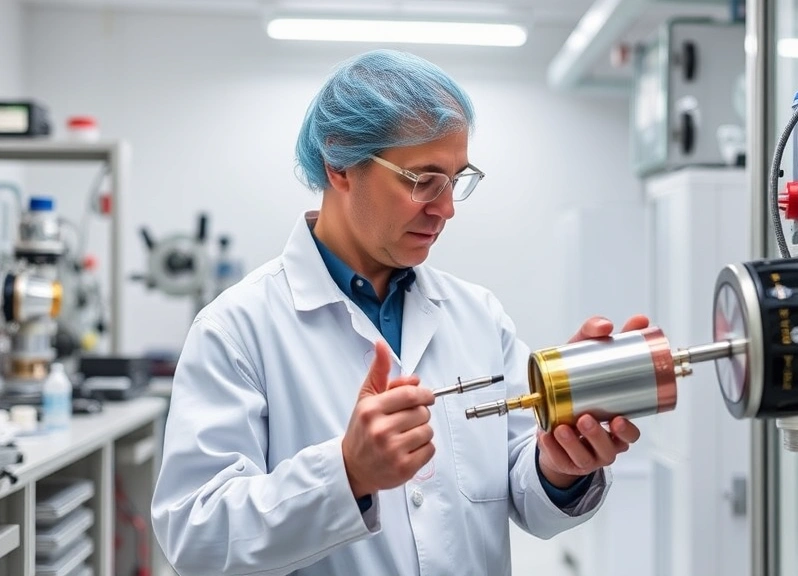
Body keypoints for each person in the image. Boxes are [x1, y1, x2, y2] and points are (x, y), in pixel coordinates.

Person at [151, 49, 645, 576]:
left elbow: (523, 485)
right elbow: (195, 535)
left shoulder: (477, 315)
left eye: (456, 180)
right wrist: (346, 473)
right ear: (339, 163)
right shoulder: (236, 329)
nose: (446, 208)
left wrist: (558, 464)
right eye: (422, 180)